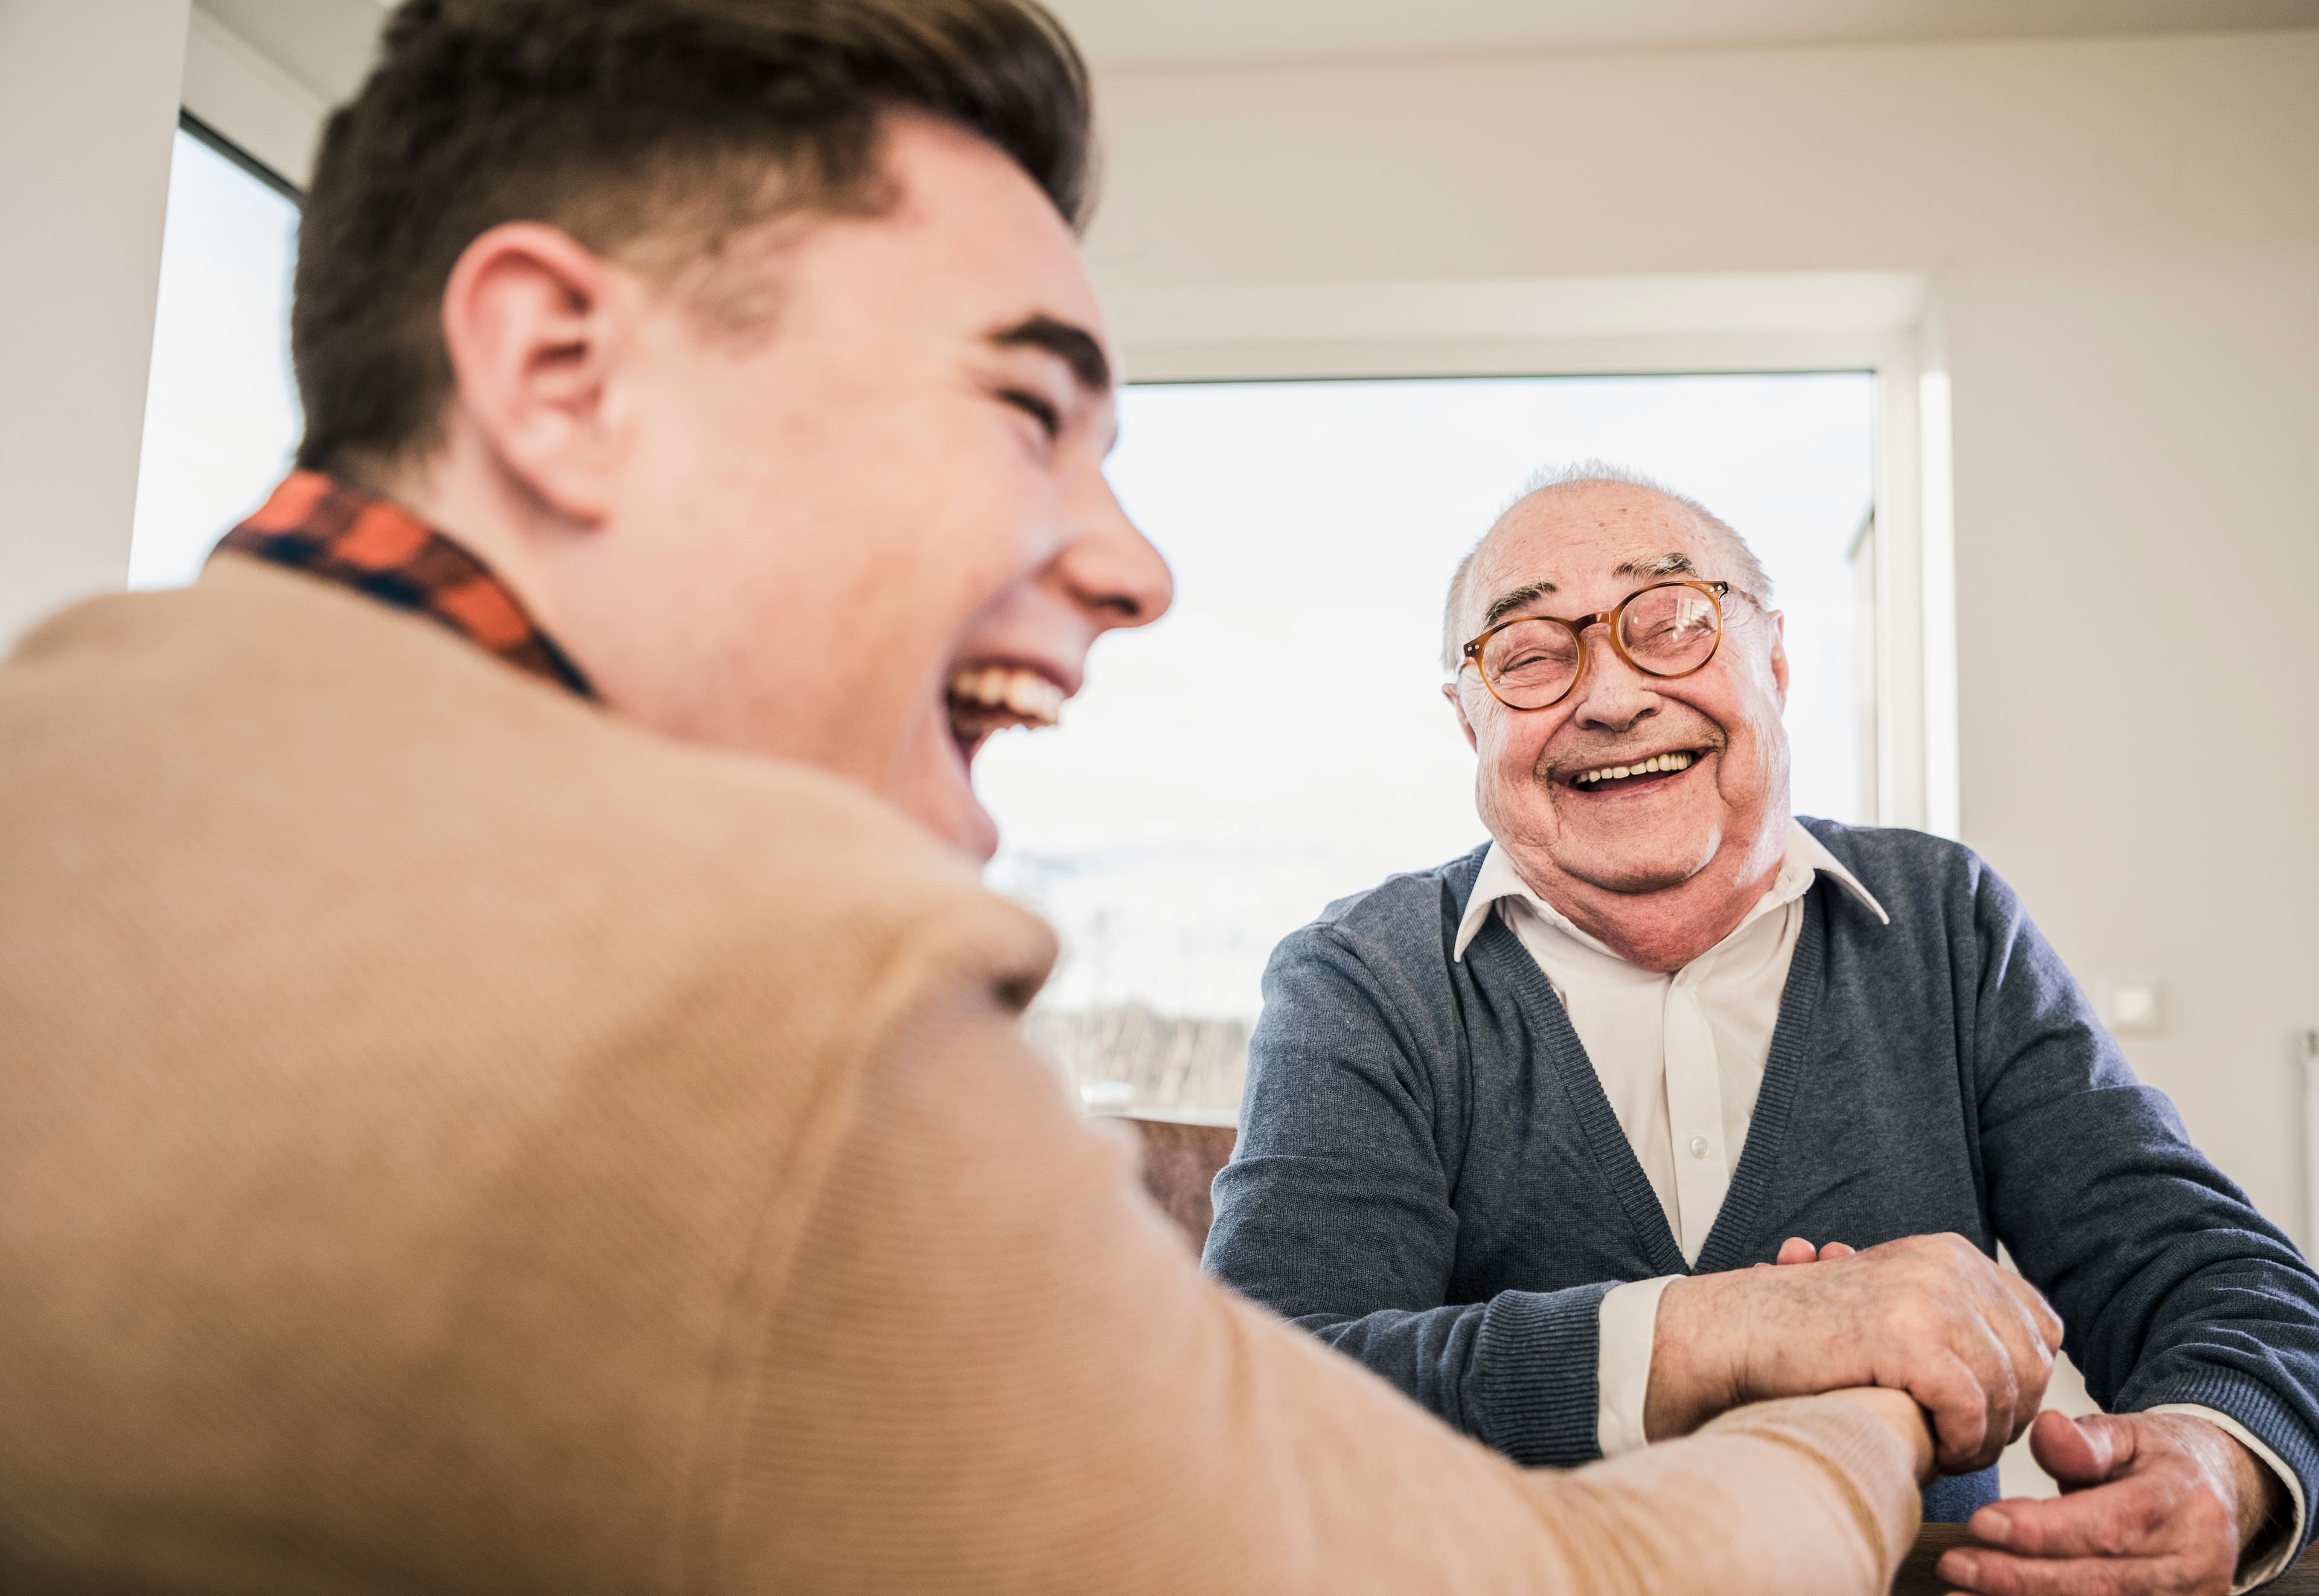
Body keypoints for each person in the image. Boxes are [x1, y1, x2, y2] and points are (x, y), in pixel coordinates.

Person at [0, 4, 1939, 1592]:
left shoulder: (68, 751)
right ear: (559, 368)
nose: (1134, 566)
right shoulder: (770, 1013)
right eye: (1027, 408)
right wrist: (1859, 1408)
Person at [1202, 462, 2319, 1596]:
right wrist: (1723, 1332)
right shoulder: (1360, 975)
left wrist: (2222, 1461)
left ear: (1775, 660)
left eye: (1674, 622)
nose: (1611, 698)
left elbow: (2206, 1270)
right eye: (1533, 655)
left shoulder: (1947, 919)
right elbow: (1260, 1394)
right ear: (1470, 715)